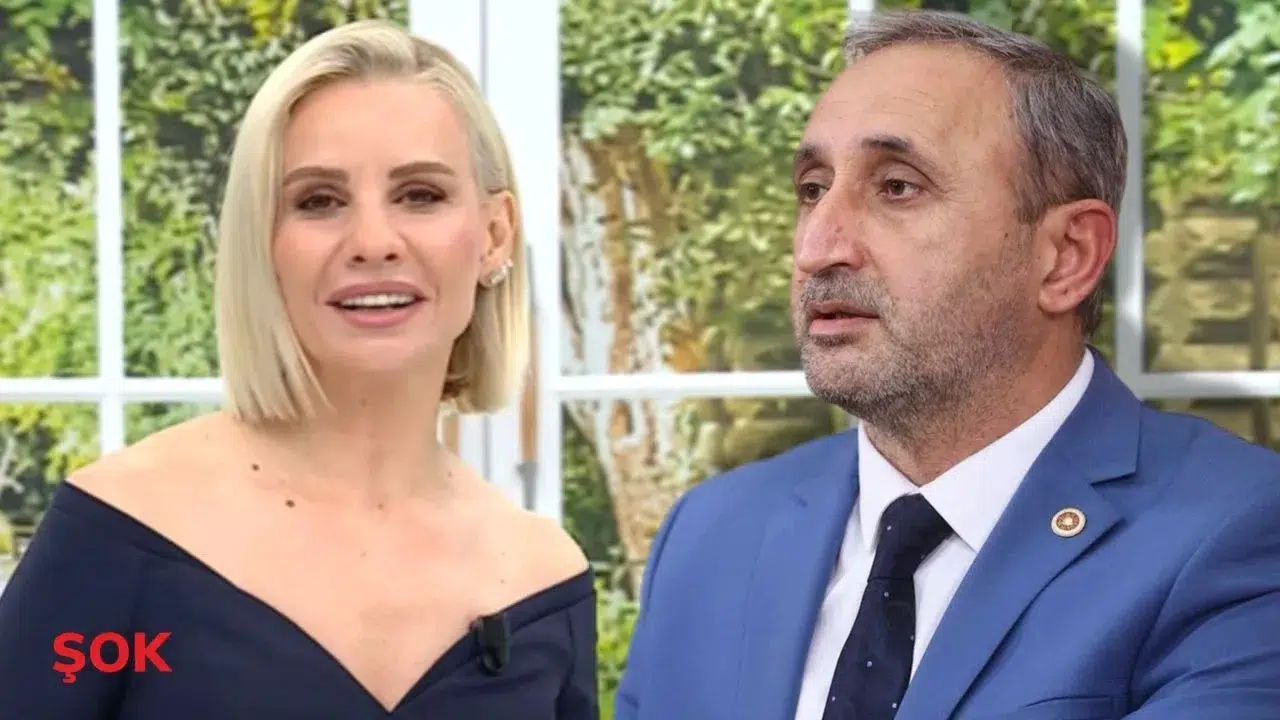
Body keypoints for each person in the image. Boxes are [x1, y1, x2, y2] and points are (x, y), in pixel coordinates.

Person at [615, 10, 1280, 720]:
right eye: (812, 189)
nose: (817, 248)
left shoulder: (1239, 532)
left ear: (1067, 256)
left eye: (897, 187)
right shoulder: (710, 534)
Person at [0, 19, 597, 719]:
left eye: (420, 195)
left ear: (495, 236)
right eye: (319, 201)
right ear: (262, 243)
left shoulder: (542, 578)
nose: (373, 242)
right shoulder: (120, 532)